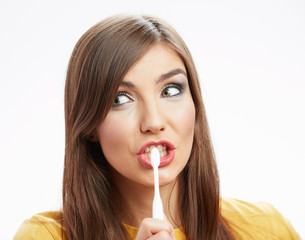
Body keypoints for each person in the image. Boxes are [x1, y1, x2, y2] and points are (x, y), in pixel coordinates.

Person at [14, 14, 300, 240]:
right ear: (89, 125)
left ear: (195, 106)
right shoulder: (45, 235)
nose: (153, 122)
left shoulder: (267, 229)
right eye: (120, 98)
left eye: (171, 90)